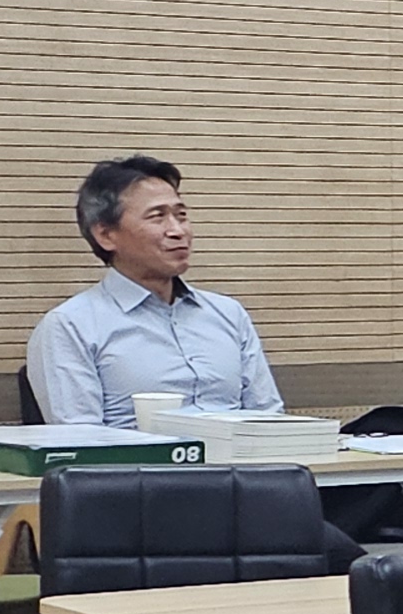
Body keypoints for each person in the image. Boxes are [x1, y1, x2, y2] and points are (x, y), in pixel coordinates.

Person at [25, 155, 285, 428]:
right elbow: (80, 439)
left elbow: (268, 418)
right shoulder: (70, 326)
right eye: (157, 217)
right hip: (139, 456)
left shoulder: (228, 314)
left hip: (240, 455)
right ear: (106, 235)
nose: (178, 231)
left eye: (181, 216)